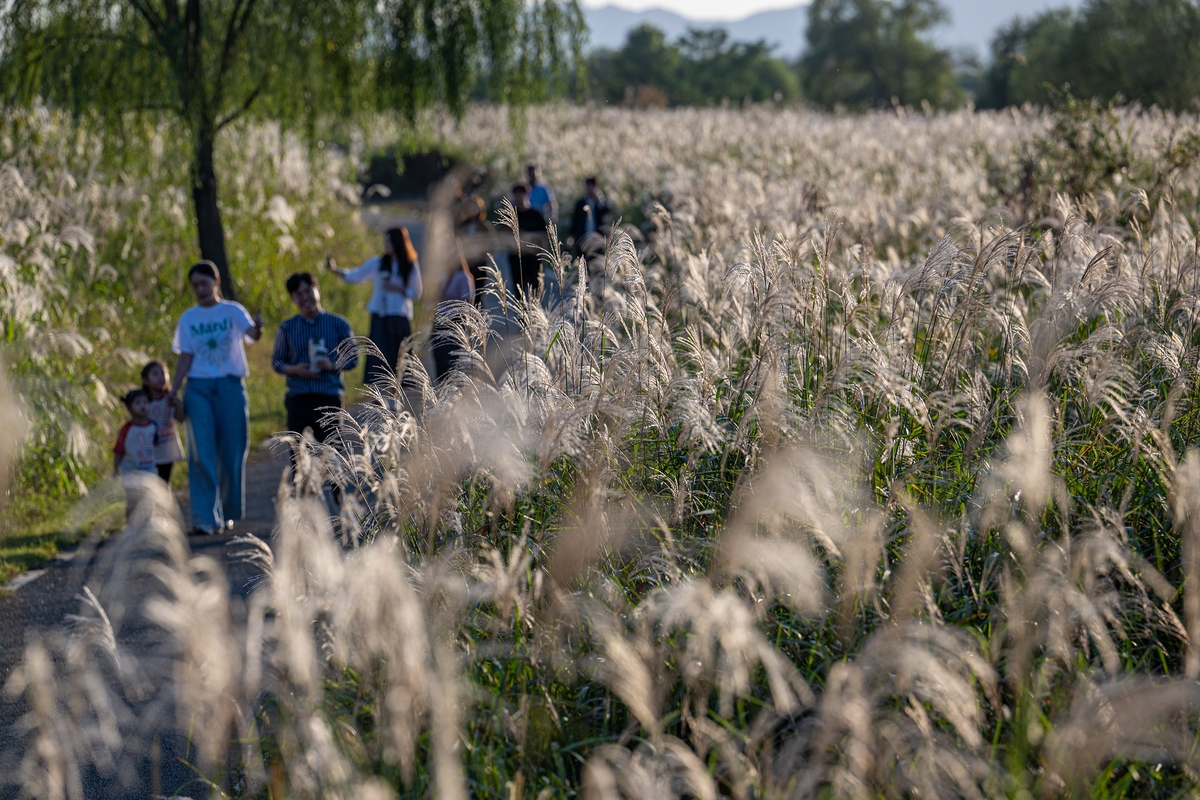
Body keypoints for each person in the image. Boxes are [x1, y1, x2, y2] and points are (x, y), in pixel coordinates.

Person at [171, 260, 264, 536]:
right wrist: (173, 390)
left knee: (232, 450)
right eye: (195, 285)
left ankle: (227, 510)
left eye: (204, 283)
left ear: (216, 282)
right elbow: (185, 356)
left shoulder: (232, 310)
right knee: (201, 452)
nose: (200, 289)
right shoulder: (188, 318)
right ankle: (204, 517)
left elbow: (251, 334)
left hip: (230, 386)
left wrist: (259, 327)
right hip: (198, 387)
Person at [327, 227, 423, 388]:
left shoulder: (410, 265)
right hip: (380, 315)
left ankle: (394, 394)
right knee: (379, 356)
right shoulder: (378, 263)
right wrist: (334, 269)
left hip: (399, 316)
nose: (386, 245)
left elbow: (417, 292)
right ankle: (380, 394)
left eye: (389, 241)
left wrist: (399, 289)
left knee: (398, 358)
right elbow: (356, 275)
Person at [271, 272, 357, 445]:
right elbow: (277, 362)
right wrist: (295, 370)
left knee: (333, 454)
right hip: (298, 399)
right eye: (299, 294)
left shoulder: (339, 324)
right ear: (293, 299)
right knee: (298, 455)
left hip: (329, 397)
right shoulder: (287, 327)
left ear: (318, 290)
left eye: (308, 291)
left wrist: (332, 365)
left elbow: (352, 358)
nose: (305, 297)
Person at [112, 388, 160, 517]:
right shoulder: (127, 429)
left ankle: (148, 523)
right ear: (129, 408)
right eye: (138, 403)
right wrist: (115, 468)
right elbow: (119, 449)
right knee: (133, 500)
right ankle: (130, 525)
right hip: (131, 472)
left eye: (145, 402)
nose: (142, 406)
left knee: (149, 499)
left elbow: (156, 445)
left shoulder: (153, 425)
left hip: (149, 470)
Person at [433, 251, 476, 381]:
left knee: (451, 356)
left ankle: (453, 385)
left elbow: (467, 301)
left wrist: (446, 299)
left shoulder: (463, 276)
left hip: (455, 320)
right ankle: (441, 385)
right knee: (439, 355)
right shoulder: (442, 274)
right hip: (440, 318)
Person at [141, 360, 185, 483]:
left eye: (163, 373)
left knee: (164, 483)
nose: (161, 377)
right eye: (155, 374)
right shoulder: (143, 401)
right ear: (145, 381)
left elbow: (181, 419)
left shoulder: (170, 398)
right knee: (148, 484)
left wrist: (177, 405)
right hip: (148, 451)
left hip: (167, 450)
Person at [509, 184, 547, 298]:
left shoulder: (535, 214)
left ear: (527, 195)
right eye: (516, 194)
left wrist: (531, 236)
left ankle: (535, 309)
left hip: (533, 257)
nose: (518, 197)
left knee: (535, 289)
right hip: (516, 257)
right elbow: (503, 233)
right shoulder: (511, 215)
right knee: (518, 290)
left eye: (521, 194)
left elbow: (545, 233)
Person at [569, 177, 612, 255]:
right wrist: (570, 236)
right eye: (587, 186)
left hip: (597, 238)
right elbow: (575, 220)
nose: (589, 189)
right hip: (583, 238)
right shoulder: (580, 203)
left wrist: (599, 199)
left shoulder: (599, 202)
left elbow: (606, 210)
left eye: (591, 186)